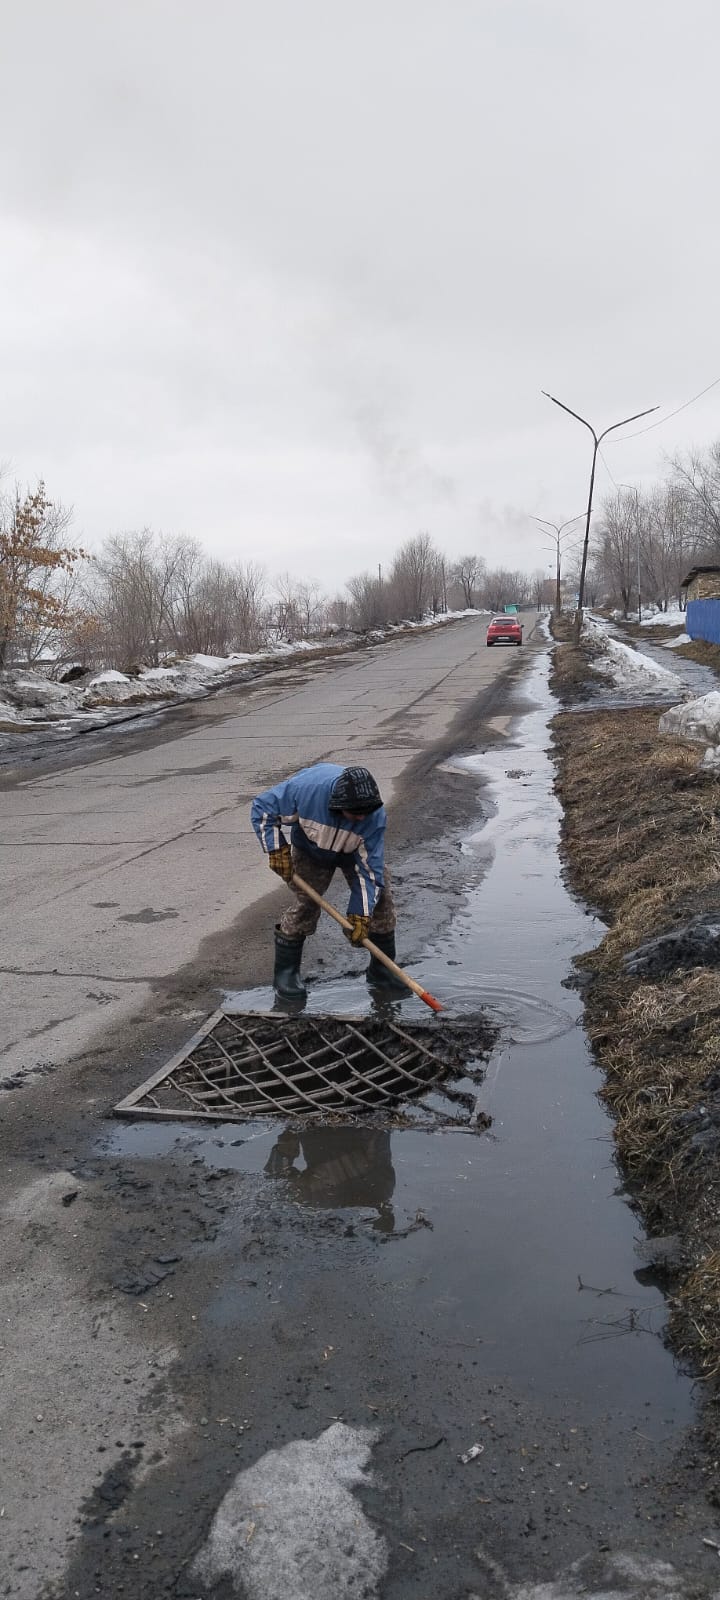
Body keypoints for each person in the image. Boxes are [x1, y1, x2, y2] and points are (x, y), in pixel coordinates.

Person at [250, 762, 406, 1000]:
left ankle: (382, 972)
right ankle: (286, 976)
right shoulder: (306, 791)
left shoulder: (373, 817)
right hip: (312, 848)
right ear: (338, 806)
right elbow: (262, 809)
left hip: (354, 854)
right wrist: (275, 849)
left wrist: (360, 915)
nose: (362, 817)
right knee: (306, 904)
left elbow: (370, 873)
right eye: (356, 814)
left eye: (366, 813)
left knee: (380, 900)